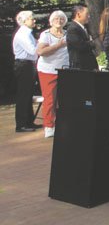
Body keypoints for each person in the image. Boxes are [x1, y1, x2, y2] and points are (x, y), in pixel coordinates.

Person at [36, 10, 70, 138]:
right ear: (51, 21)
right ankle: (49, 126)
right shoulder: (46, 35)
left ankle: (63, 124)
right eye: (56, 19)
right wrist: (59, 45)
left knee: (64, 100)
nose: (59, 21)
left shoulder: (67, 34)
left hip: (65, 70)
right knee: (50, 99)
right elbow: (41, 51)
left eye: (61, 19)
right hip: (48, 71)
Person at [13, 10, 40, 133]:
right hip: (24, 65)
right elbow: (33, 50)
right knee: (24, 94)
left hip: (28, 65)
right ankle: (21, 124)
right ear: (24, 21)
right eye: (31, 18)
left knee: (28, 94)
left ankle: (28, 121)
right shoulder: (23, 34)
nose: (34, 20)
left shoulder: (28, 33)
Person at [66, 5, 99, 71]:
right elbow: (81, 46)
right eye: (87, 14)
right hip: (80, 66)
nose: (89, 16)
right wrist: (92, 43)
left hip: (88, 65)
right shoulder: (73, 28)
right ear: (78, 14)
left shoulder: (84, 27)